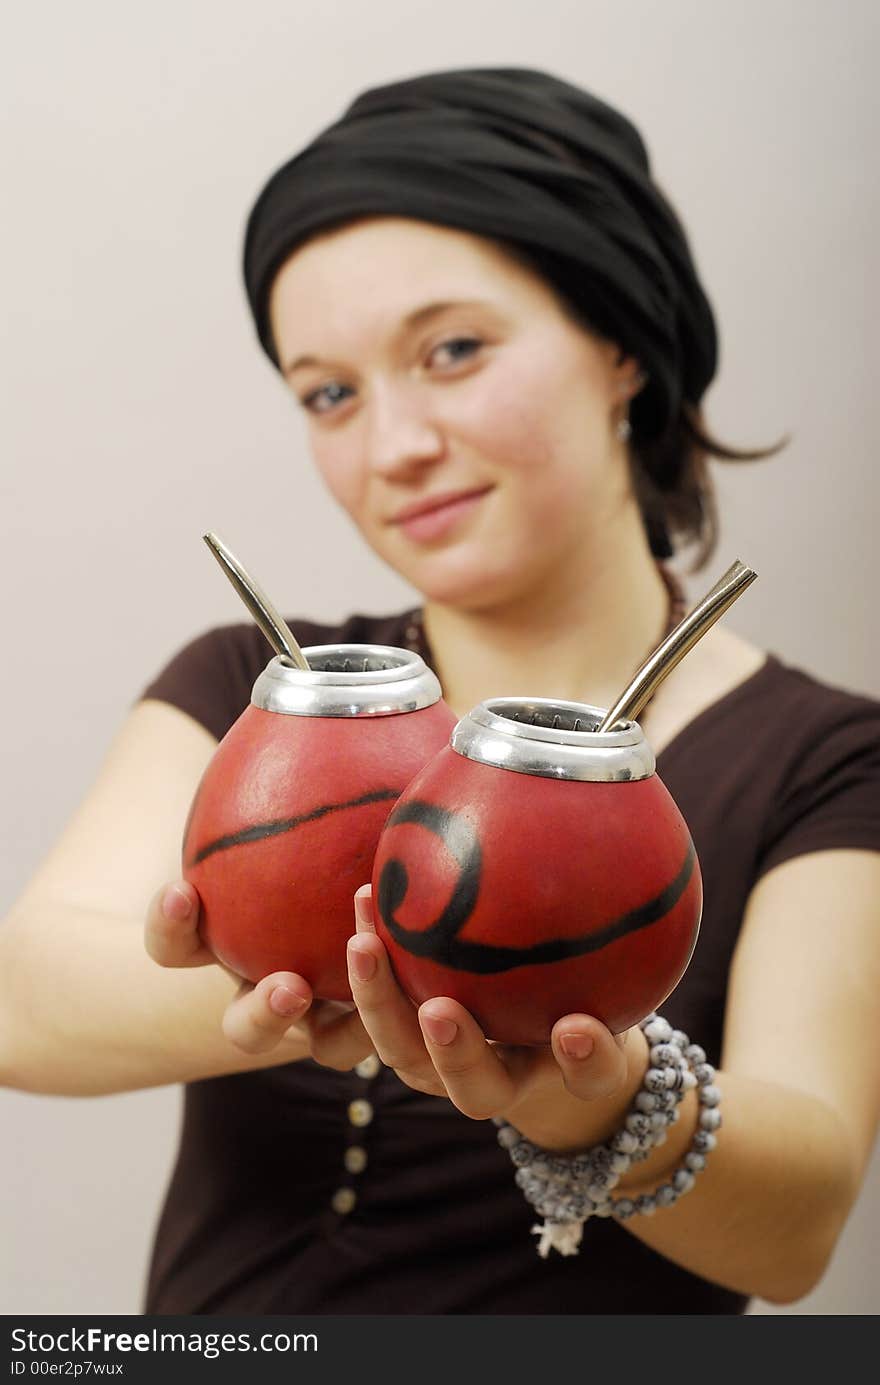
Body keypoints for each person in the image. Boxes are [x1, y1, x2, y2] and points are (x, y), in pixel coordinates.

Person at [2, 67, 879, 1316]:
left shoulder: (827, 761)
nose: (393, 445)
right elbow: (23, 1002)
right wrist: (313, 977)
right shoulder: (250, 688)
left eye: (452, 349)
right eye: (329, 393)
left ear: (622, 339)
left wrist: (602, 1098)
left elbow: (800, 1222)